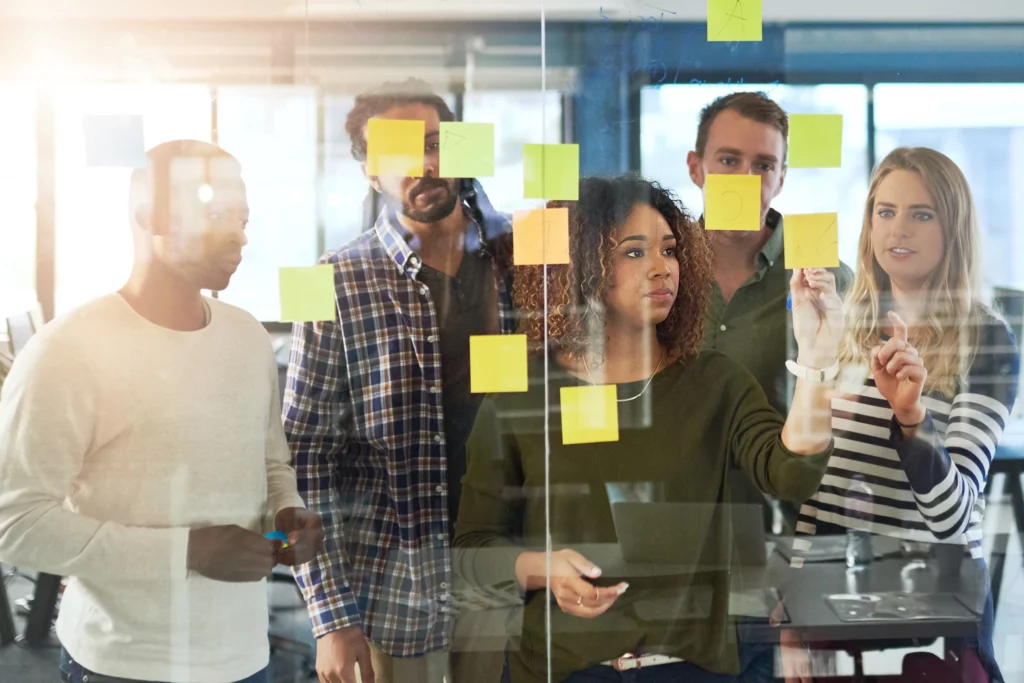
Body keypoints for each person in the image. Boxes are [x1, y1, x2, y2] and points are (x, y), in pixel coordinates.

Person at [454, 174, 844, 683]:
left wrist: (817, 358)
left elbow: (794, 474)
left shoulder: (714, 380)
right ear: (581, 268)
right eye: (634, 253)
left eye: (670, 250)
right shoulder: (523, 392)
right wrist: (540, 568)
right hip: (559, 671)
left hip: (688, 671)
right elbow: (470, 551)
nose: (663, 268)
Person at [0, 140, 324, 683]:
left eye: (243, 218)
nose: (239, 236)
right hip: (124, 664)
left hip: (246, 658)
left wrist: (287, 510)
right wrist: (187, 551)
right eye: (215, 213)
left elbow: (269, 461)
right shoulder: (69, 349)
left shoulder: (245, 336)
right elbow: (15, 522)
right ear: (147, 216)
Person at [283, 79, 514, 683]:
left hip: (508, 558)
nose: (424, 163)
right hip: (391, 576)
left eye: (437, 143)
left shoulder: (526, 257)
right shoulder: (328, 279)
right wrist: (330, 617)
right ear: (368, 171)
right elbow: (303, 459)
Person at [783, 148, 1020, 683]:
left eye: (922, 212)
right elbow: (813, 491)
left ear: (953, 227)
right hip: (832, 607)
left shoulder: (986, 341)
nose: (898, 229)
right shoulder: (839, 321)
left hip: (933, 621)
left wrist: (912, 418)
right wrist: (792, 616)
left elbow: (954, 517)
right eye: (884, 211)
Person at [687, 92, 856, 533]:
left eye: (763, 165)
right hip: (673, 515)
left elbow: (858, 413)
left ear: (781, 178)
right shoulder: (658, 269)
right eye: (728, 161)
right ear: (694, 168)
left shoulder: (827, 279)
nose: (746, 179)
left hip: (794, 520)